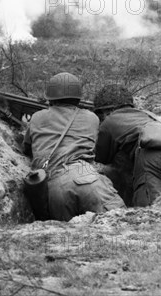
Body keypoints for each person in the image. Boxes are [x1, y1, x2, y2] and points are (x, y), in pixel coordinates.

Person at [23, 73, 125, 221]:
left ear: (50, 98)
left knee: (66, 241)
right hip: (87, 178)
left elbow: (27, 148)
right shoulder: (92, 118)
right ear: (78, 98)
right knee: (121, 225)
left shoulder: (37, 117)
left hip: (54, 186)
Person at [94, 84, 161, 207]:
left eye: (100, 114)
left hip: (153, 161)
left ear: (107, 111)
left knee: (148, 212)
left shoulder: (109, 121)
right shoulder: (148, 115)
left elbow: (101, 157)